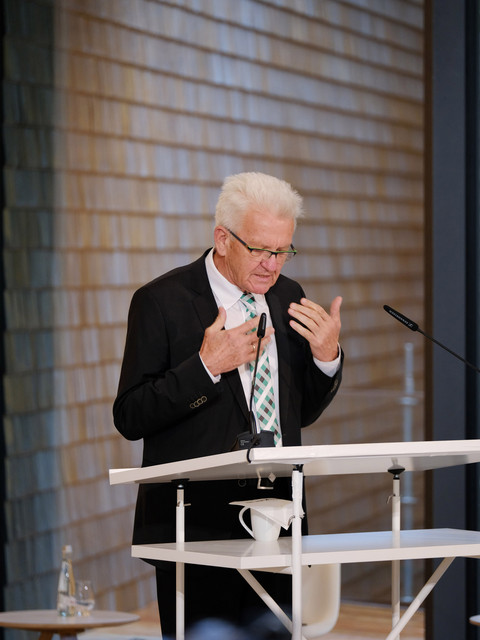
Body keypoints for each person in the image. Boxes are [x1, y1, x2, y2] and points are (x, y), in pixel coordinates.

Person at [113, 172, 343, 636]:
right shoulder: (161, 301)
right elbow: (130, 415)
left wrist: (326, 359)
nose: (272, 265)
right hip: (194, 527)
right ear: (222, 238)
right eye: (260, 249)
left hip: (278, 519)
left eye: (283, 251)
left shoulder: (287, 297)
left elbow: (298, 412)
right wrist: (205, 366)